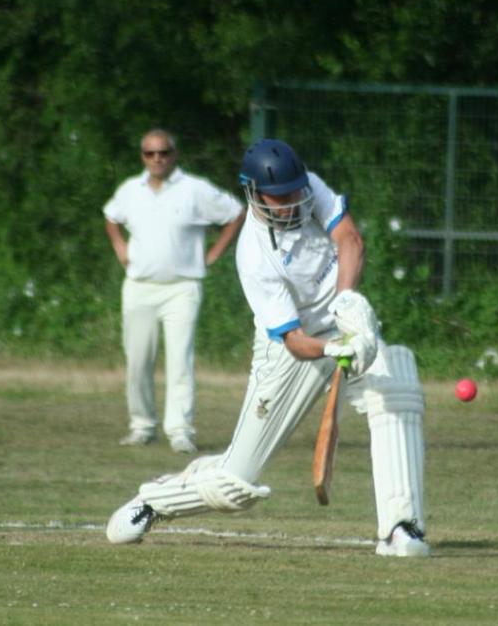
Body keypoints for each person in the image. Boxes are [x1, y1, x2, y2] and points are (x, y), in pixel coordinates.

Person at [106, 139, 431, 557]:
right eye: (279, 198)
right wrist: (334, 350)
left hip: (341, 327)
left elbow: (351, 241)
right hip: (289, 352)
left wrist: (347, 304)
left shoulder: (310, 187)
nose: (291, 203)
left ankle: (401, 527)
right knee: (234, 484)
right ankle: (154, 501)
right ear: (253, 193)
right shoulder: (254, 255)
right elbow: (295, 341)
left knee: (396, 382)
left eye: (294, 192)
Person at [103, 129, 245, 454]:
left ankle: (180, 429)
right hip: (139, 285)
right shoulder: (130, 190)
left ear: (174, 154)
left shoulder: (194, 189)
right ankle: (142, 426)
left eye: (163, 153)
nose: (157, 159)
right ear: (143, 156)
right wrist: (119, 245)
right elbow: (111, 216)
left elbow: (236, 213)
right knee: (138, 360)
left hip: (182, 287)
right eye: (150, 154)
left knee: (180, 360)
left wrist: (214, 253)